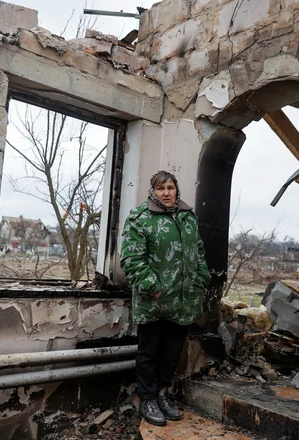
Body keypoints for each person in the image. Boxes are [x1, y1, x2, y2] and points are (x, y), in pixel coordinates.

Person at [120, 170, 210, 426]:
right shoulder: (140, 218)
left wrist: (200, 277)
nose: (167, 193)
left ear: (176, 189)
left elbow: (199, 250)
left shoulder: (188, 217)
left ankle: (162, 393)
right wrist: (153, 287)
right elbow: (130, 258)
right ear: (153, 192)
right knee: (149, 352)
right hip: (154, 301)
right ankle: (147, 398)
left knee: (172, 352)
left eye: (170, 187)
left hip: (184, 300)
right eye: (161, 189)